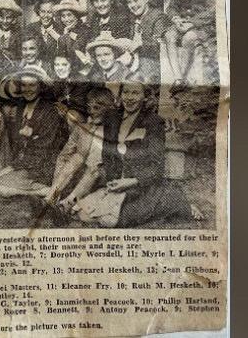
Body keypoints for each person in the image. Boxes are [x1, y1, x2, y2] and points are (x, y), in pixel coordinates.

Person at [72, 81, 193, 227]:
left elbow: (157, 166)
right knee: (82, 214)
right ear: (121, 95)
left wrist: (131, 181)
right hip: (117, 183)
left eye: (135, 93)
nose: (129, 97)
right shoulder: (111, 117)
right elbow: (107, 155)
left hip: (141, 186)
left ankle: (171, 202)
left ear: (145, 97)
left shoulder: (154, 122)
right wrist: (113, 181)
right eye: (126, 92)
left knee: (107, 220)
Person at [0, 66, 69, 201]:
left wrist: (11, 167)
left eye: (32, 85)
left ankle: (48, 191)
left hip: (42, 166)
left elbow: (43, 150)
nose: (28, 89)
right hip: (24, 163)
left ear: (41, 86)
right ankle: (30, 193)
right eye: (24, 85)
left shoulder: (50, 111)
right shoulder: (20, 107)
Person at [44, 87, 116, 213]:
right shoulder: (82, 129)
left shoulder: (116, 130)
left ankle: (66, 205)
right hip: (81, 177)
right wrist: (57, 184)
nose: (92, 112)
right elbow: (64, 156)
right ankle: (51, 198)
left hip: (104, 176)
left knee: (95, 169)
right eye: (89, 108)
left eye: (97, 108)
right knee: (75, 159)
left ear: (109, 108)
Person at [164, 0, 215, 85]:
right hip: (181, 23)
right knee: (169, 36)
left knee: (188, 38)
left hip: (201, 26)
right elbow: (172, 7)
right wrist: (176, 18)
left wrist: (191, 23)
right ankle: (178, 78)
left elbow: (211, 12)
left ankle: (184, 77)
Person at [125, 0, 170, 83]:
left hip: (152, 63)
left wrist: (140, 45)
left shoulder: (158, 17)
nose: (133, 5)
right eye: (129, 2)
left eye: (136, 0)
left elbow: (161, 47)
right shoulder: (133, 18)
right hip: (134, 61)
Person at [85, 32, 133, 96]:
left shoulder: (128, 76)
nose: (102, 59)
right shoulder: (94, 76)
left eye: (106, 54)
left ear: (115, 54)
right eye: (98, 55)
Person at [53, 0, 91, 71]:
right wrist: (65, 34)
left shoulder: (85, 30)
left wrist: (66, 36)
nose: (66, 19)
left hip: (82, 69)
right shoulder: (63, 30)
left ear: (77, 16)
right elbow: (61, 55)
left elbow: (74, 52)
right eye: (63, 16)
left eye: (69, 15)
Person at [0, 0, 23, 69]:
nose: (5, 21)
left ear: (14, 18)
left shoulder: (19, 34)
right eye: (1, 17)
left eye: (9, 18)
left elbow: (21, 57)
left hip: (12, 68)